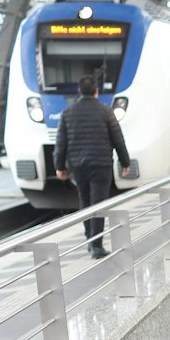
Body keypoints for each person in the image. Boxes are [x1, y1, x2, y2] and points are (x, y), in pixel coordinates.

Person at [54, 75, 132, 260]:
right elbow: (117, 138)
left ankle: (90, 237)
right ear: (96, 91)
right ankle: (95, 245)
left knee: (85, 200)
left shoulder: (68, 112)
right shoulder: (106, 111)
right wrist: (125, 162)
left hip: (78, 165)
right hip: (101, 164)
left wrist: (59, 166)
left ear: (79, 91)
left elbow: (61, 143)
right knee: (98, 202)